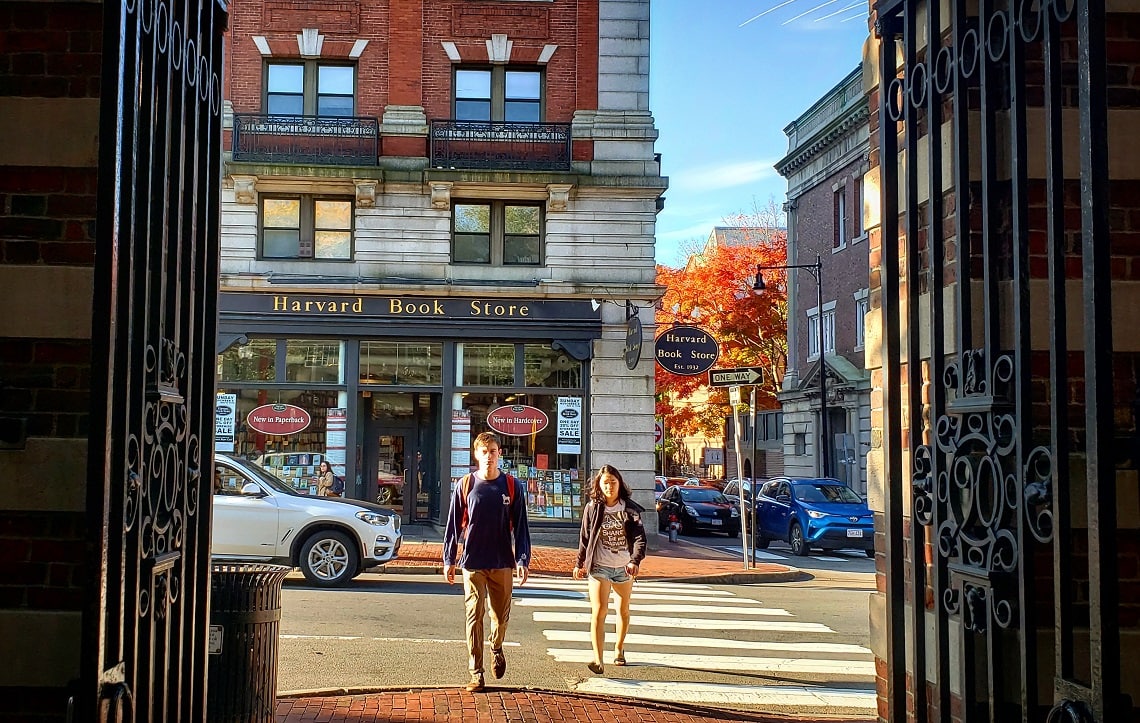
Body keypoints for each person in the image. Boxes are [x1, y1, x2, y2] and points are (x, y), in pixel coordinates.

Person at [442, 431, 531, 693]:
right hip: (473, 561)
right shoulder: (466, 485)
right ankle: (476, 672)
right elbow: (452, 524)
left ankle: (496, 645)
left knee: (500, 617)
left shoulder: (512, 486)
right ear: (476, 455)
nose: (489, 456)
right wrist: (449, 558)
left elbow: (522, 528)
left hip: (502, 560)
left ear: (499, 454)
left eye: (493, 451)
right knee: (474, 615)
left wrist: (522, 558)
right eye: (484, 452)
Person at [572, 464, 647, 675]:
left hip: (624, 567)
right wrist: (580, 563)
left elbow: (640, 538)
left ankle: (619, 647)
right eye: (605, 483)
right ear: (599, 485)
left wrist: (635, 560)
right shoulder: (592, 508)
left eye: (613, 482)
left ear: (619, 484)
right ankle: (598, 659)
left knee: (623, 610)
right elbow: (585, 538)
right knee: (599, 611)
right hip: (599, 567)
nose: (609, 487)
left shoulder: (630, 509)